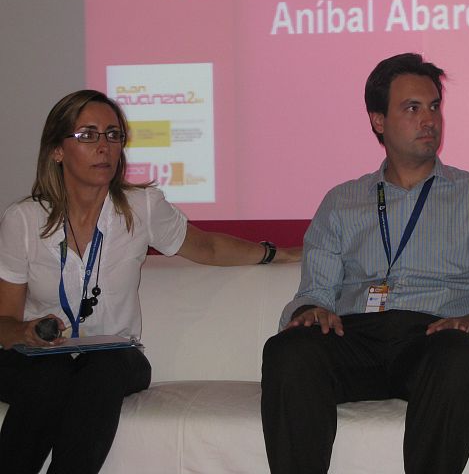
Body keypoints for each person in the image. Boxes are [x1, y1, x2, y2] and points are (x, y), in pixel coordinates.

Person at [260, 52, 469, 474]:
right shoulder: (341, 201)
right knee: (288, 349)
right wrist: (310, 311)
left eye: (434, 106)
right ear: (378, 120)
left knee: (459, 354)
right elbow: (313, 293)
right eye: (412, 108)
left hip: (435, 337)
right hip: (355, 337)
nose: (429, 120)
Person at [0, 89, 301, 474]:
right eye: (88, 135)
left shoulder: (140, 207)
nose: (104, 146)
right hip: (40, 360)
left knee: (103, 369)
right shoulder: (23, 221)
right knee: (51, 376)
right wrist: (26, 332)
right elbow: (5, 323)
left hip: (115, 358)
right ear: (57, 150)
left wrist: (277, 254)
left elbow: (206, 247)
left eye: (113, 135)